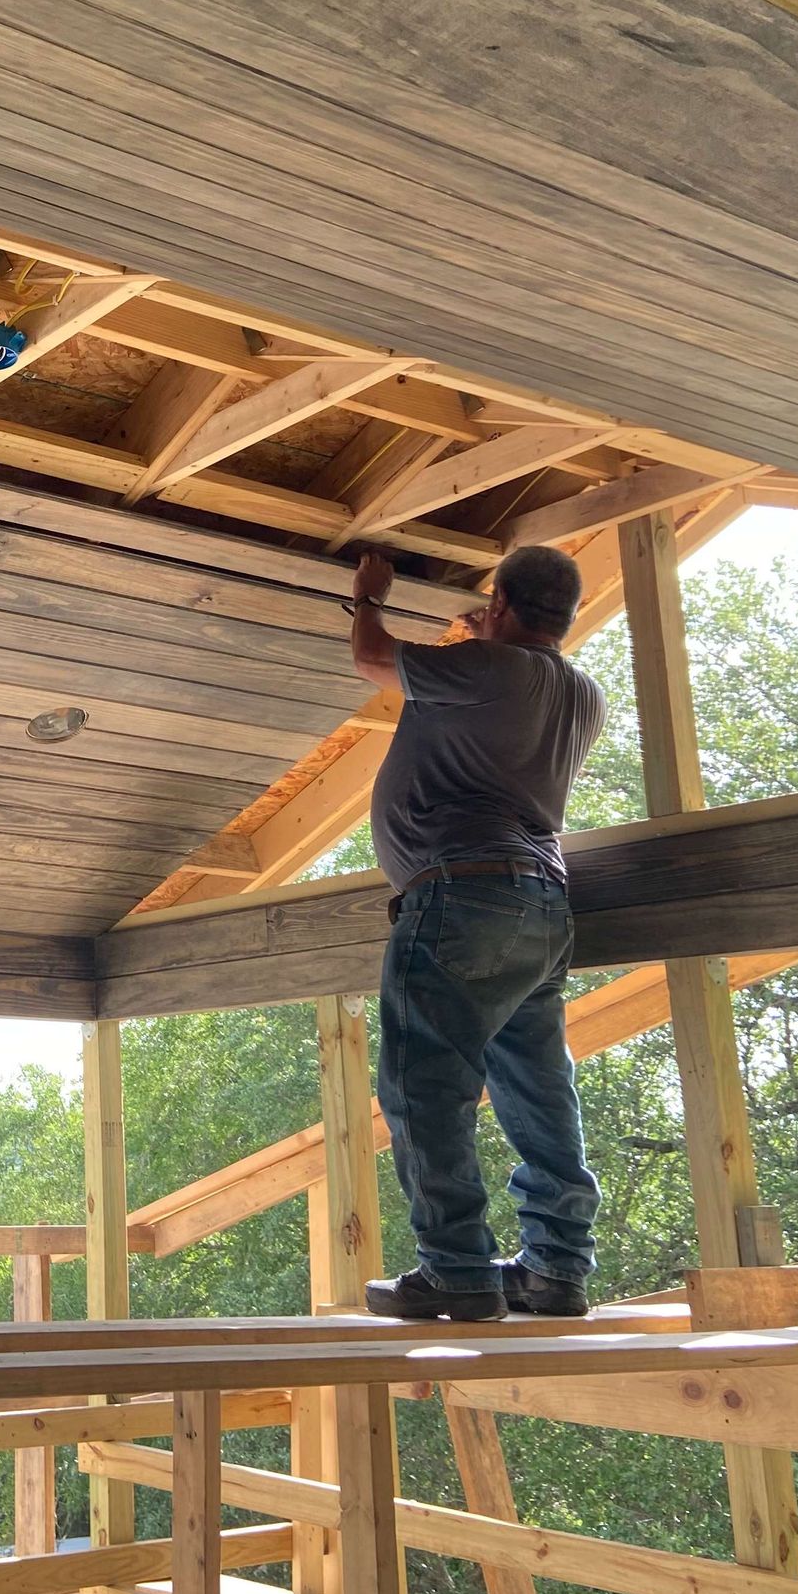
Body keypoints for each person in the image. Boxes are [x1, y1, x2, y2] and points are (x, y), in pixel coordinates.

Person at [345, 546, 606, 1322]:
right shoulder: (582, 693)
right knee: (537, 1086)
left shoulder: (492, 672)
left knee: (424, 1086)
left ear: (501, 603)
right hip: (542, 908)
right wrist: (485, 633)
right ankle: (555, 1268)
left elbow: (372, 658)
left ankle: (457, 1270)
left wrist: (367, 596)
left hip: (461, 898)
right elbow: (501, 689)